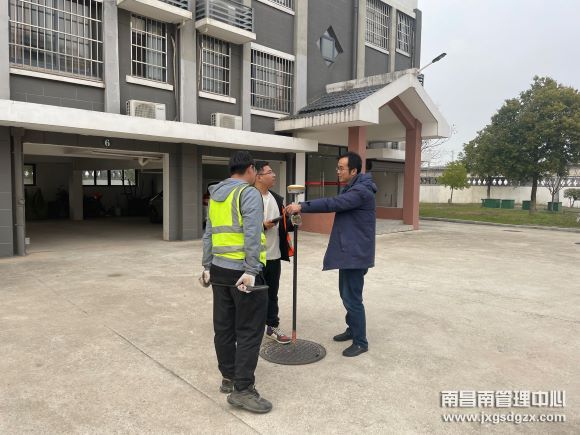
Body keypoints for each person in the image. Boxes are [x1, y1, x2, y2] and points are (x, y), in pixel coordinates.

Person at [201, 151, 272, 413]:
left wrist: (206, 265)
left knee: (224, 328)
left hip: (219, 271)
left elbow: (209, 233)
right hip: (243, 273)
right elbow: (252, 233)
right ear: (251, 169)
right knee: (249, 330)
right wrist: (252, 269)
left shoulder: (216, 196)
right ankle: (243, 390)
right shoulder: (247, 193)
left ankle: (228, 377)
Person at [286, 152, 377, 358]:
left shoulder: (360, 191)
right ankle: (352, 329)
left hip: (356, 254)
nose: (338, 171)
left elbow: (332, 203)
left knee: (352, 298)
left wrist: (302, 206)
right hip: (349, 252)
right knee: (346, 295)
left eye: (341, 168)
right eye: (337, 167)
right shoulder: (353, 187)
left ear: (353, 171)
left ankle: (361, 342)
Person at [254, 161, 293, 344]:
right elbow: (240, 226)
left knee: (272, 294)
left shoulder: (277, 198)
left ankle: (272, 327)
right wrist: (262, 226)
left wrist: (293, 220)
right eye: (270, 172)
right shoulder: (248, 197)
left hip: (274, 255)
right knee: (253, 295)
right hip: (254, 257)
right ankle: (251, 330)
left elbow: (284, 225)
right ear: (259, 177)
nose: (274, 175)